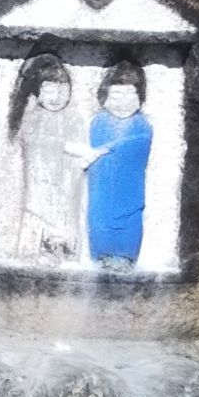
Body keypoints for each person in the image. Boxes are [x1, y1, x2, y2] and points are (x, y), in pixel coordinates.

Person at [7, 53, 86, 265]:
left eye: (62, 90)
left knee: (64, 226)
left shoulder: (75, 119)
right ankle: (35, 253)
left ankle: (62, 251)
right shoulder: (32, 118)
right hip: (39, 188)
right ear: (38, 92)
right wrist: (64, 146)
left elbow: (80, 151)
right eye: (49, 90)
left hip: (65, 189)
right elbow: (32, 141)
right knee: (37, 227)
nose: (56, 96)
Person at [80, 61, 153, 267]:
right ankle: (101, 255)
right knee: (99, 219)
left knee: (130, 220)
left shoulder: (141, 124)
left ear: (140, 97)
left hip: (129, 189)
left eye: (130, 95)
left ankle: (127, 256)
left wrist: (108, 148)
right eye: (116, 95)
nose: (123, 103)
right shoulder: (98, 122)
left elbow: (138, 143)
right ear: (104, 97)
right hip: (102, 187)